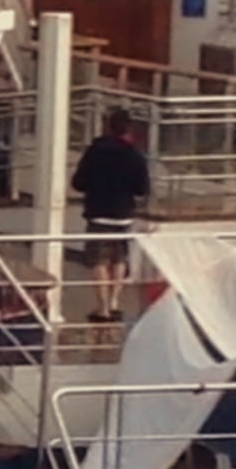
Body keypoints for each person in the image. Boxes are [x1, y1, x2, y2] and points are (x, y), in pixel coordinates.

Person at [70, 111, 152, 323]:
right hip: (123, 214)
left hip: (98, 213)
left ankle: (102, 307)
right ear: (129, 129)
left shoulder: (95, 151)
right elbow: (142, 189)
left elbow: (78, 182)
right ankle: (114, 302)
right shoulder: (135, 155)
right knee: (119, 259)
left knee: (98, 260)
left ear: (107, 127)